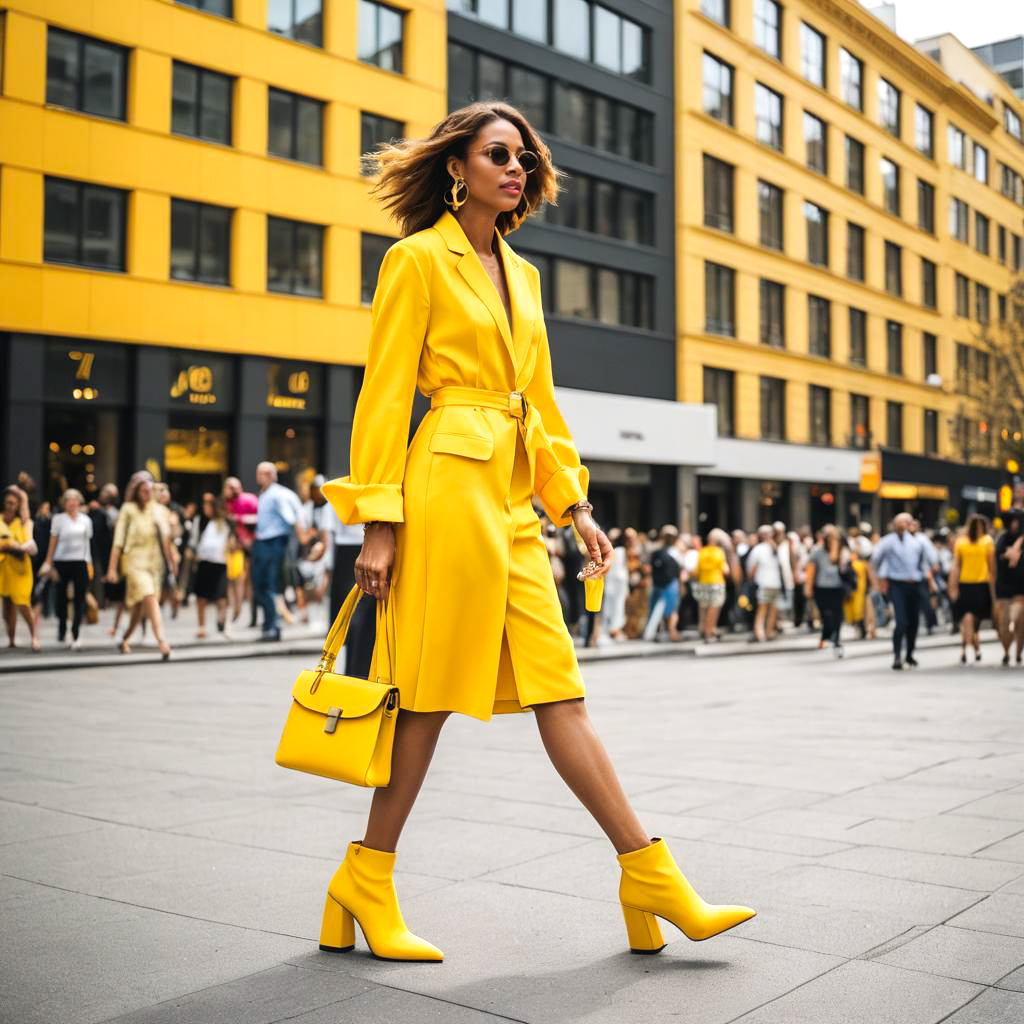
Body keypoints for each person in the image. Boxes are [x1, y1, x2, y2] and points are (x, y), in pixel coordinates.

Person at [313, 102, 755, 963]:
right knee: (431, 698)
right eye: (497, 154)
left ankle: (649, 874)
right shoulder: (414, 261)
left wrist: (577, 507)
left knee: (562, 687)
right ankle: (367, 878)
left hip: (513, 503)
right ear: (458, 168)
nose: (515, 169)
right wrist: (377, 521)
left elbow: (540, 404)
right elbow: (383, 393)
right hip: (443, 485)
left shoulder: (524, 274)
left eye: (523, 157)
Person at [105, 471, 178, 659]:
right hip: (134, 561)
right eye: (144, 490)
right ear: (136, 491)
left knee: (138, 608)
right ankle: (162, 641)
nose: (147, 493)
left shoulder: (158, 510)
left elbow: (168, 539)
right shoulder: (128, 509)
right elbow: (118, 541)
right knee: (150, 597)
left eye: (150, 490)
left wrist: (172, 563)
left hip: (154, 564)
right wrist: (112, 568)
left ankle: (124, 638)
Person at [871, 512, 935, 670]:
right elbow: (875, 561)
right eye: (898, 523)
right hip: (897, 584)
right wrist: (879, 581)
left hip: (915, 584)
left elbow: (929, 562)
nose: (901, 526)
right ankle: (897, 655)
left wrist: (928, 580)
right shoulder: (887, 542)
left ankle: (910, 654)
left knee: (913, 622)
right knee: (901, 622)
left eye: (905, 523)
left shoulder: (918, 542)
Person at [251, 461, 301, 642]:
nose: (260, 476)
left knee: (268, 585)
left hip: (273, 543)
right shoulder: (265, 494)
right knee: (260, 585)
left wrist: (297, 540)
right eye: (259, 472)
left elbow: (290, 518)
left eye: (264, 473)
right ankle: (269, 625)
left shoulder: (278, 495)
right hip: (263, 542)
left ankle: (273, 627)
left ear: (273, 475)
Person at [38, 488, 93, 649]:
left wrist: (88, 563)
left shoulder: (85, 520)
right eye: (68, 500)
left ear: (79, 502)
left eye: (75, 499)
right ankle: (62, 626)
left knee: (80, 597)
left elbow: (87, 543)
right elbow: (53, 542)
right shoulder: (58, 519)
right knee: (61, 597)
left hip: (80, 561)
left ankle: (75, 630)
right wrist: (49, 562)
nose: (72, 502)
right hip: (61, 561)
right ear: (64, 503)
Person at [949, 514, 996, 664]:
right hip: (966, 584)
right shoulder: (961, 542)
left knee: (974, 621)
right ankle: (968, 648)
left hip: (981, 584)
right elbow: (956, 565)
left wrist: (994, 589)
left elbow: (991, 567)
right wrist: (953, 585)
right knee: (967, 618)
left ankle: (970, 647)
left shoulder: (987, 541)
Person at [0, 485, 40, 650]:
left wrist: (20, 493)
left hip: (20, 569)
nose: (11, 505)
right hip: (4, 568)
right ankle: (11, 639)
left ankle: (34, 637)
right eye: (8, 502)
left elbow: (28, 545)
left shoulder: (23, 522)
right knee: (7, 607)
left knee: (23, 603)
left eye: (14, 503)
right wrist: (11, 544)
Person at [189, 492, 232, 639]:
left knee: (221, 596)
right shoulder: (199, 521)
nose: (206, 507)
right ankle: (202, 627)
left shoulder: (224, 522)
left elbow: (230, 541)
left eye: (209, 504)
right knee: (201, 596)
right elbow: (193, 541)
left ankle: (222, 623)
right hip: (204, 562)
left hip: (219, 563)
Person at [805, 525, 851, 656]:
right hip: (822, 588)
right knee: (826, 615)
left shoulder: (843, 551)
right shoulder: (817, 552)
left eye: (834, 537)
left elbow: (839, 565)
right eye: (829, 538)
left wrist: (836, 549)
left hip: (837, 587)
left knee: (838, 615)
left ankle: (836, 640)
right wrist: (808, 587)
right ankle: (827, 635)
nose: (832, 540)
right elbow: (811, 569)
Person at [222, 476, 259, 625]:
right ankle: (236, 610)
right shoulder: (224, 504)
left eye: (236, 487)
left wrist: (240, 519)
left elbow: (260, 518)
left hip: (250, 545)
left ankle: (252, 615)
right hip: (234, 547)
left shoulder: (248, 500)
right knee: (232, 580)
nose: (234, 490)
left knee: (250, 582)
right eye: (230, 487)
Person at [694, 529, 737, 642]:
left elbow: (697, 570)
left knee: (704, 608)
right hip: (716, 583)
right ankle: (708, 633)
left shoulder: (702, 552)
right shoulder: (719, 552)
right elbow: (725, 570)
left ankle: (707, 630)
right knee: (714, 609)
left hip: (703, 583)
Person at [643, 525, 684, 641]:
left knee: (668, 609)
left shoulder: (666, 551)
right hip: (665, 583)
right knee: (666, 609)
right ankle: (664, 632)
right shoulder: (668, 551)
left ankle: (668, 632)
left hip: (666, 583)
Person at [995, 508, 1024, 665]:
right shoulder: (1003, 538)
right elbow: (997, 559)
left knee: (1019, 619)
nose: (1014, 524)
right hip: (1004, 586)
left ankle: (1018, 652)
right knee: (1003, 622)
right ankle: (1006, 651)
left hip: (1020, 586)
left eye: (1017, 521)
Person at [746, 525, 782, 642]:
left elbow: (751, 570)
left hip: (765, 583)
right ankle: (766, 633)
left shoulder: (761, 549)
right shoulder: (773, 548)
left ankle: (762, 633)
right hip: (772, 583)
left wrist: (751, 580)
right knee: (770, 610)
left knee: (764, 610)